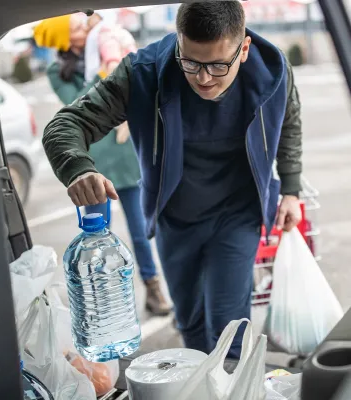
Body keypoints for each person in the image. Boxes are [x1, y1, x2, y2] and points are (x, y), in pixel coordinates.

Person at [42, 1, 303, 358]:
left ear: (243, 49)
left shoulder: (272, 72)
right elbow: (66, 124)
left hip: (237, 214)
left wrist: (290, 188)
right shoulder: (144, 72)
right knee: (190, 322)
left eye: (217, 65)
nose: (203, 78)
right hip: (174, 216)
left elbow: (288, 123)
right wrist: (78, 167)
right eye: (191, 62)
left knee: (228, 328)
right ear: (179, 42)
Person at [33, 14, 171, 316]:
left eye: (82, 25)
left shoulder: (106, 48)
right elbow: (80, 102)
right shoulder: (59, 71)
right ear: (62, 39)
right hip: (92, 166)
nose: (84, 29)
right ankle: (105, 301)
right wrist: (109, 67)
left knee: (141, 230)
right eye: (75, 29)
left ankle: (153, 287)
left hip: (126, 158)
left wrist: (113, 55)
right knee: (96, 237)